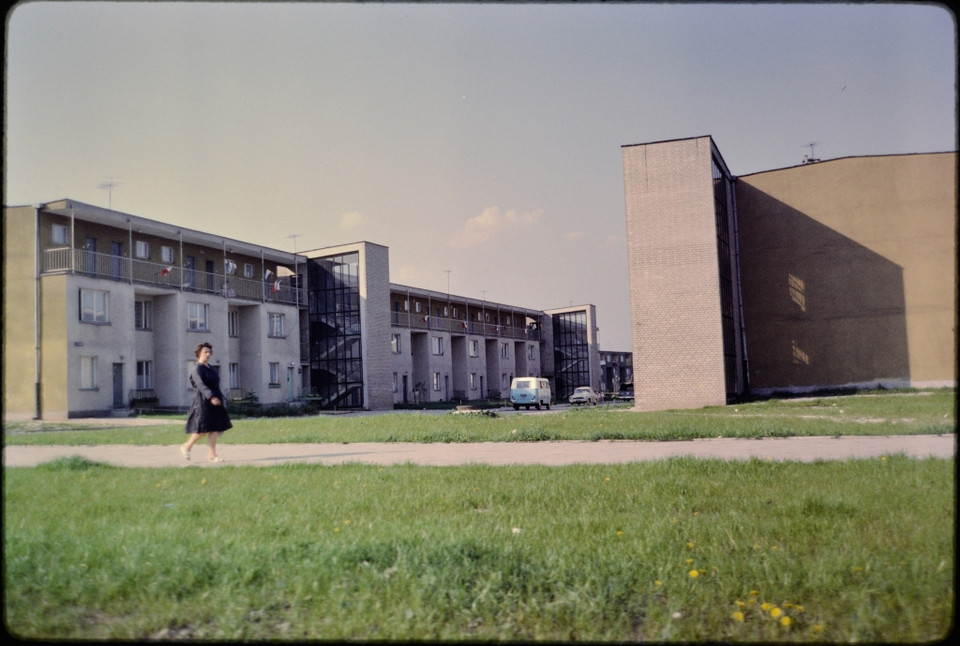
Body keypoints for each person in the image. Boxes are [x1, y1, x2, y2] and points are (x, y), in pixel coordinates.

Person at [180, 342, 232, 462]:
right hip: (203, 402)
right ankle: (187, 446)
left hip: (215, 401)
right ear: (198, 353)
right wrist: (211, 397)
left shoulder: (211, 368)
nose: (208, 354)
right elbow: (201, 385)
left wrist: (218, 397)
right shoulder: (197, 369)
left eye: (209, 352)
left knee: (214, 428)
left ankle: (212, 455)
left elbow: (215, 384)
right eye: (205, 352)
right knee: (203, 429)